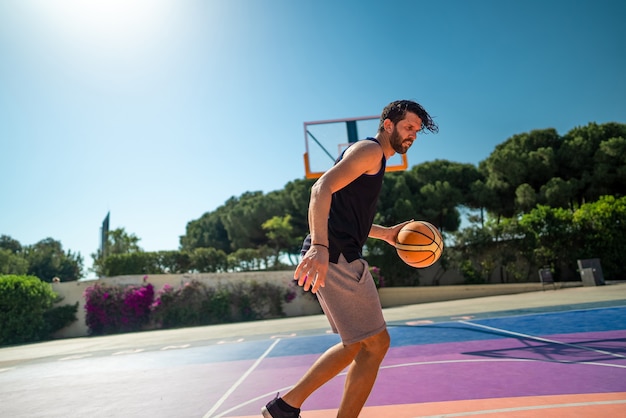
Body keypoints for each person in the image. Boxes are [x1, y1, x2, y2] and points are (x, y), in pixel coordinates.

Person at [262, 100, 438, 418]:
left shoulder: (372, 157)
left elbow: (347, 214)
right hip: (337, 255)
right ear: (388, 125)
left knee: (363, 344)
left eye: (417, 131)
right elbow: (321, 189)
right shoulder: (369, 151)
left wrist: (384, 234)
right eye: (409, 127)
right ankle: (285, 407)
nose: (413, 135)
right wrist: (319, 246)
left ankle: (286, 408)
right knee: (370, 344)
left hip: (339, 253)